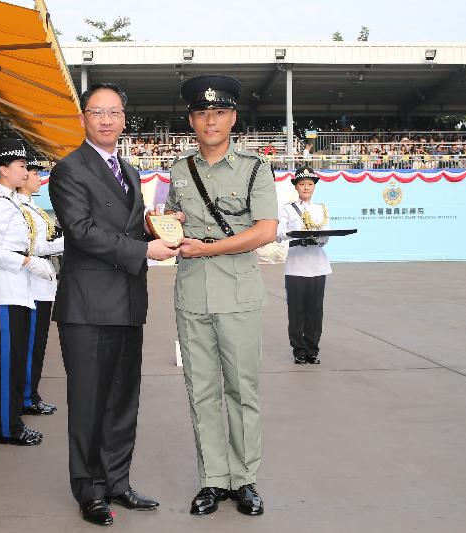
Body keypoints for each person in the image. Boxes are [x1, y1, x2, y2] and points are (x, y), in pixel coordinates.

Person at [49, 82, 177, 526]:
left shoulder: (129, 170)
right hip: (86, 308)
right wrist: (144, 252)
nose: (106, 119)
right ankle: (89, 490)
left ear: (124, 118)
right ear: (83, 118)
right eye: (97, 112)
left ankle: (118, 482)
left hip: (126, 302)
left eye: (115, 112)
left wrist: (160, 230)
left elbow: (127, 230)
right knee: (88, 401)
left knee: (123, 399)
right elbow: (81, 231)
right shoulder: (68, 170)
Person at [165, 74, 278, 517]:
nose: (209, 121)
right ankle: (213, 479)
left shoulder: (255, 168)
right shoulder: (178, 171)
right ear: (191, 120)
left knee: (242, 391)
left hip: (239, 296)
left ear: (232, 118)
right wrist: (168, 225)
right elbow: (175, 223)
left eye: (218, 112)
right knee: (201, 391)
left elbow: (265, 231)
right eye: (200, 113)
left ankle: (245, 479)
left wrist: (208, 247)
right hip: (192, 294)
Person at [0, 138, 56, 448]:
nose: (26, 171)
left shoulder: (11, 202)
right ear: (3, 170)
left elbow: (31, 244)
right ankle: (8, 429)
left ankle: (13, 422)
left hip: (20, 290)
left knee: (18, 358)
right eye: (22, 166)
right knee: (9, 363)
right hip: (6, 291)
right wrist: (28, 261)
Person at [17, 159, 64, 416]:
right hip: (31, 284)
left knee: (38, 343)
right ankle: (26, 396)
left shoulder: (33, 206)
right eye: (34, 173)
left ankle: (31, 393)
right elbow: (33, 248)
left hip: (43, 283)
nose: (37, 177)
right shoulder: (19, 208)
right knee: (31, 343)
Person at [277, 166, 331, 365]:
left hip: (318, 264)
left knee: (315, 310)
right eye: (302, 184)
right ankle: (299, 350)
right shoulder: (287, 209)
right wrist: (292, 234)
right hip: (296, 265)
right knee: (296, 310)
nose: (306, 187)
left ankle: (312, 350)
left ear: (314, 187)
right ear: (296, 187)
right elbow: (278, 233)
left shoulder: (321, 209)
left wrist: (319, 239)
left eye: (309, 184)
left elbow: (326, 235)